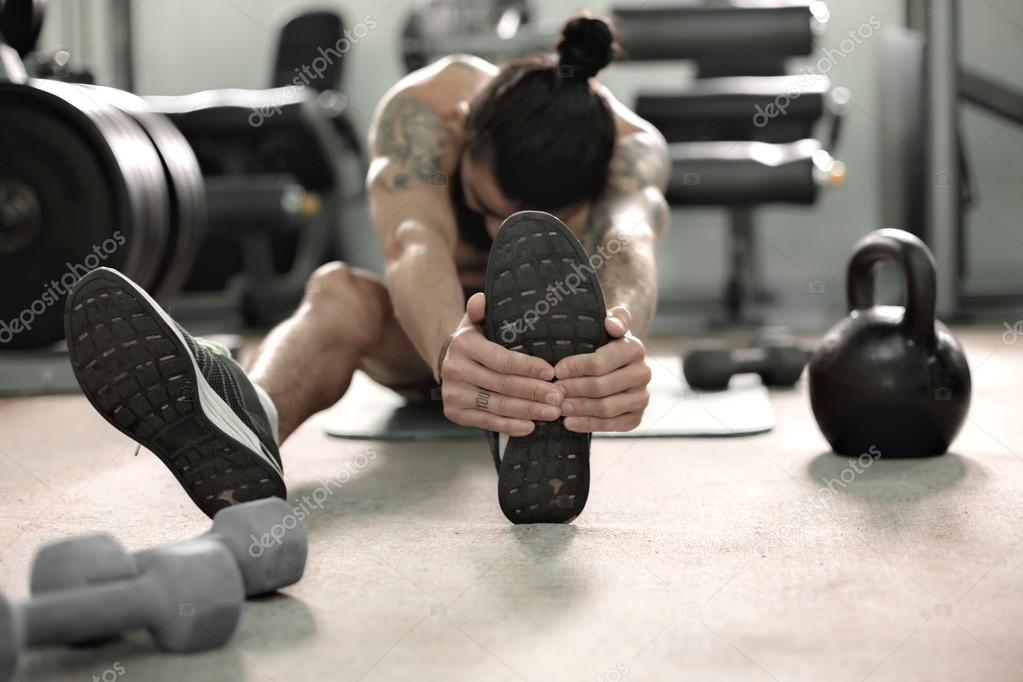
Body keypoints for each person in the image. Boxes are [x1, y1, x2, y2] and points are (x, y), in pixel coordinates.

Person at [64, 12, 670, 523]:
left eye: (528, 216)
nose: (493, 234)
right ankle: (247, 423)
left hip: (551, 369)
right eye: (484, 208)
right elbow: (414, 242)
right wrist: (450, 353)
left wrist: (620, 339)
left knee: (568, 314)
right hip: (428, 341)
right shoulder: (429, 110)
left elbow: (631, 238)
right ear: (464, 128)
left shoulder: (631, 149)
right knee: (338, 291)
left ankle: (524, 423)